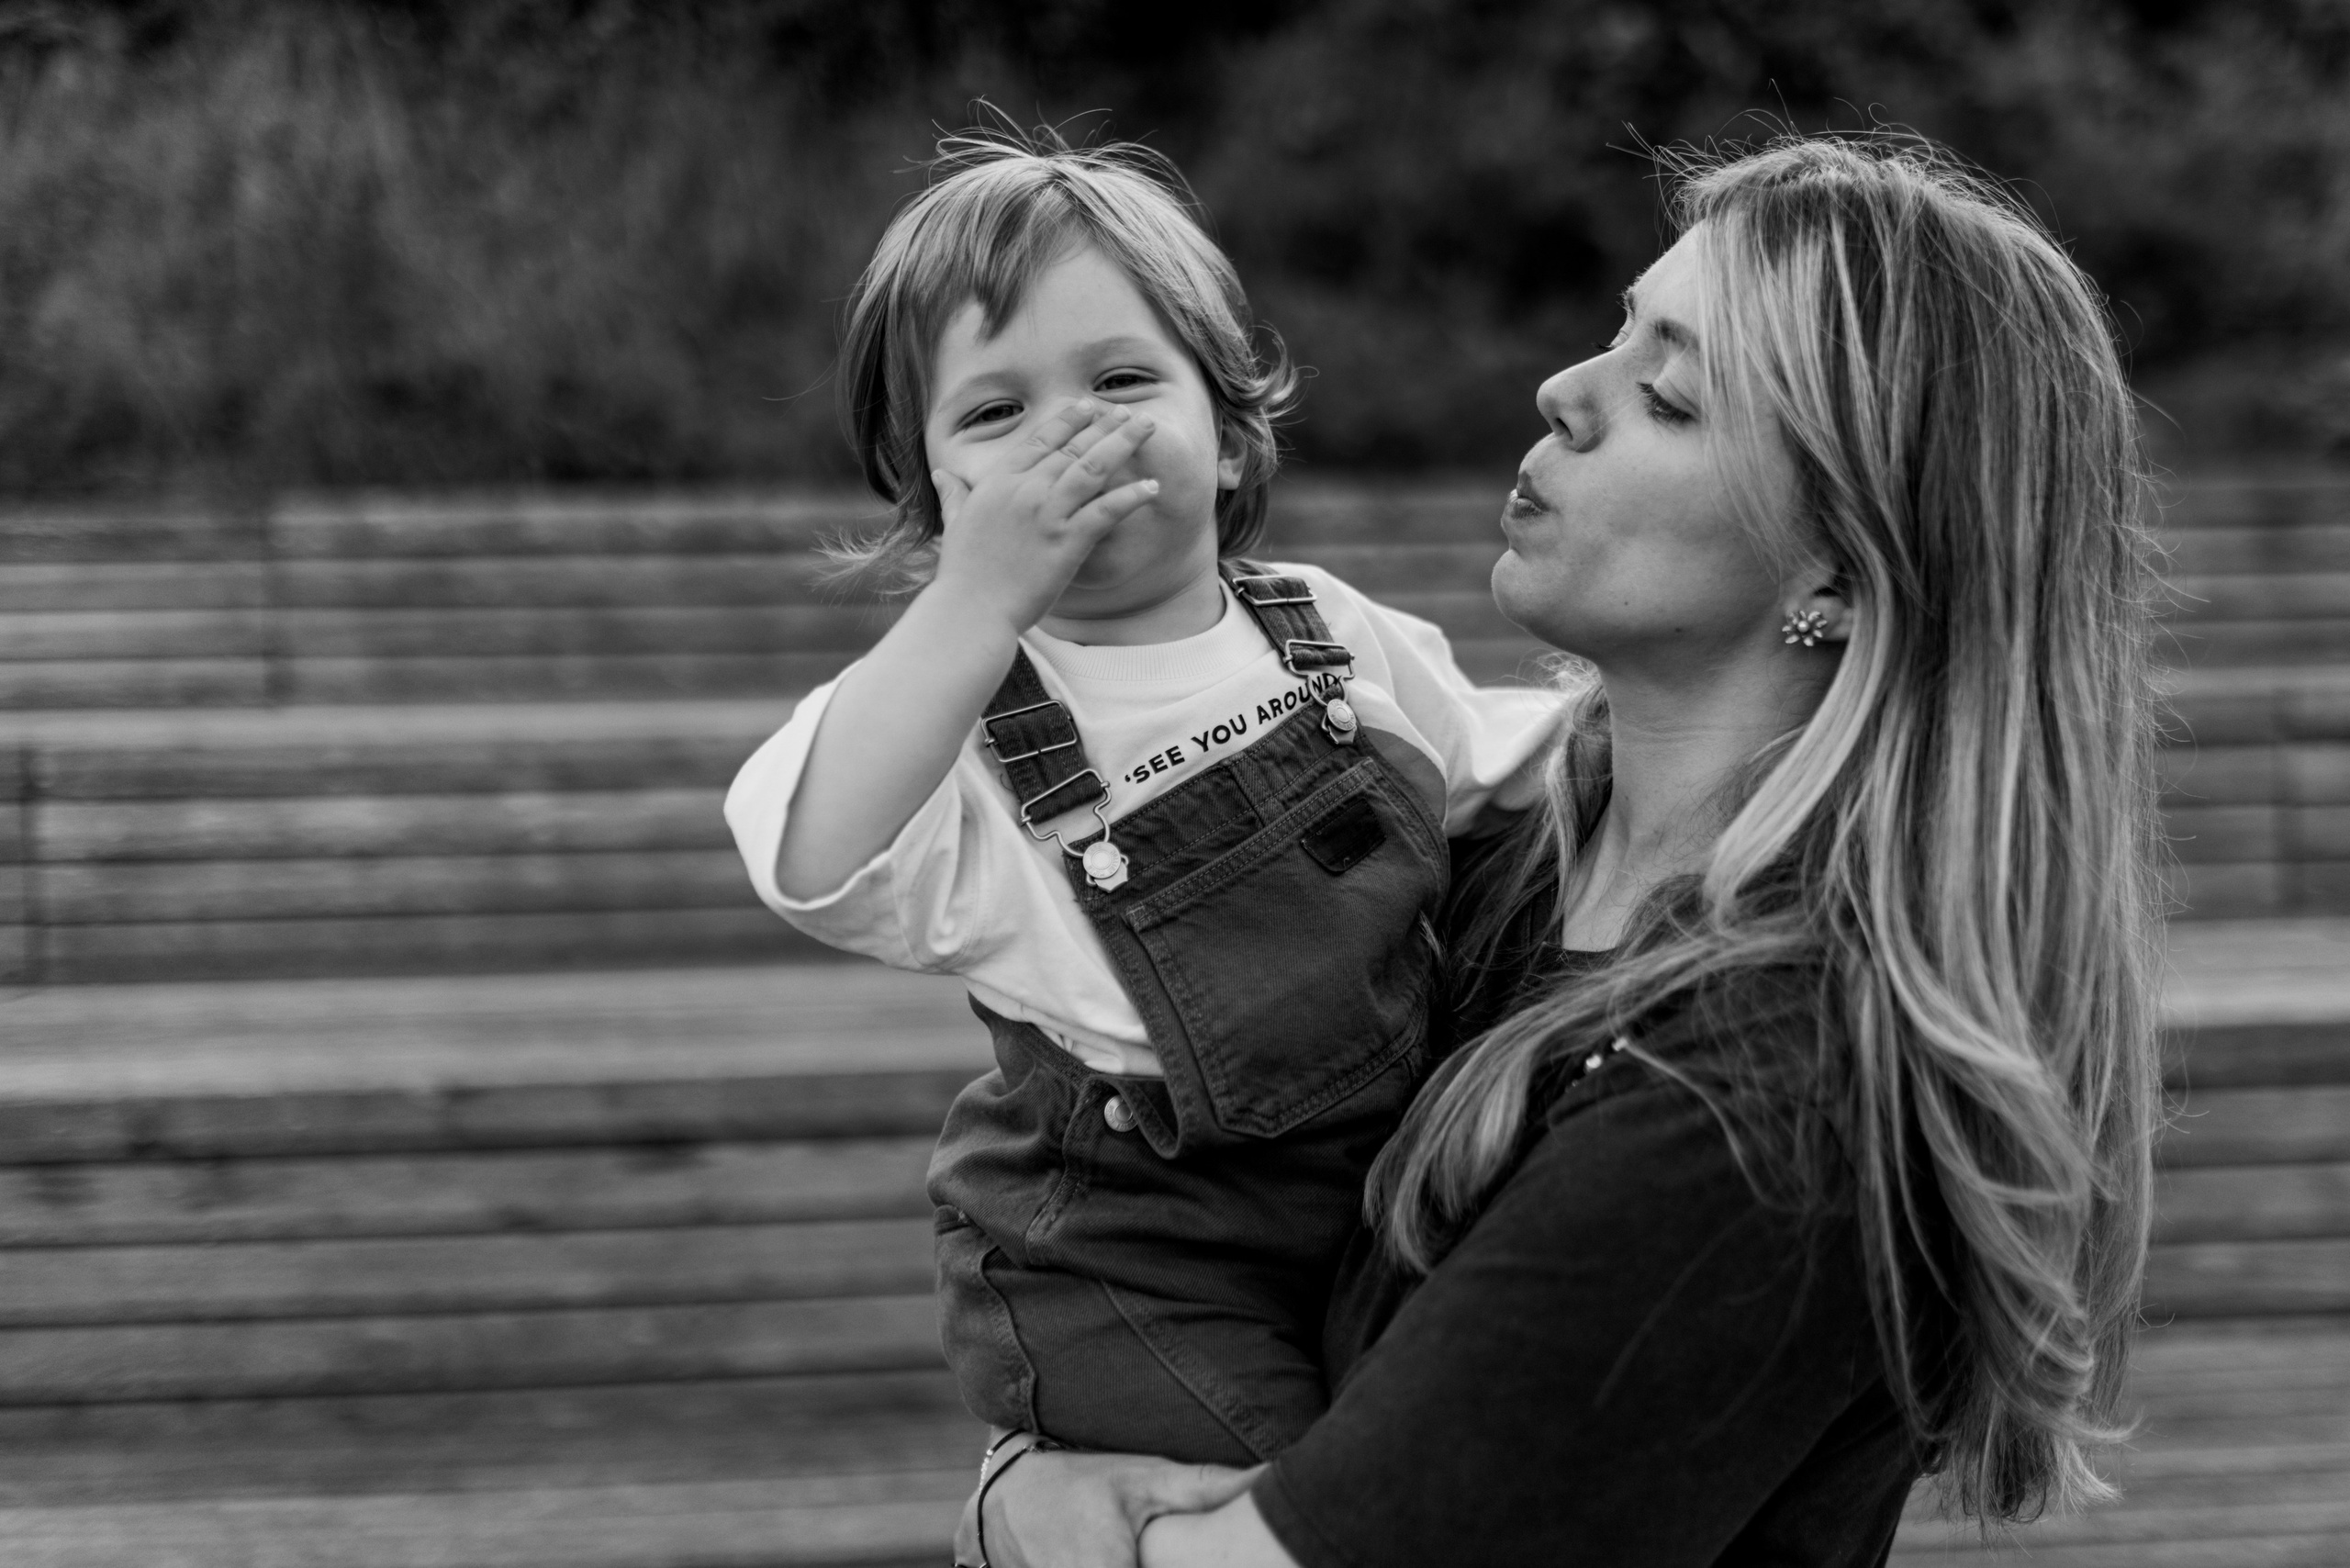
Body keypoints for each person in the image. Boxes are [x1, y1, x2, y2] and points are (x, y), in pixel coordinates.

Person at [964, 132, 2165, 1568]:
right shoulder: (1488, 858)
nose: (1564, 394)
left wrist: (1023, 1515)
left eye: (1667, 393)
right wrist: (1018, 1486)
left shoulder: (1774, 1090)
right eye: (1618, 330)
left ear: (1841, 570)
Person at [722, 130, 1562, 1467]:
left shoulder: (1324, 633)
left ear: (1228, 441)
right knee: (1286, 1491)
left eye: (1119, 380)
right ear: (937, 501)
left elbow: (1520, 764)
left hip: (1369, 1200)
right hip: (1120, 1263)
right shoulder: (967, 725)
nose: (1068, 431)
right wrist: (976, 605)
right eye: (994, 414)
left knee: (1442, 1460)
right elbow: (813, 853)